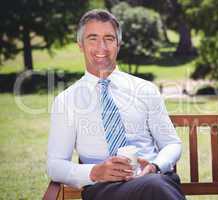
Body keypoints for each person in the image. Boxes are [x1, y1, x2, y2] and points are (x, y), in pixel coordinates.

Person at [47, 9, 186, 200]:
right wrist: (95, 172)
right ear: (80, 45)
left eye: (109, 39)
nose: (101, 47)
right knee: (155, 188)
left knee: (154, 184)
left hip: (154, 180)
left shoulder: (145, 89)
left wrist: (155, 166)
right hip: (105, 189)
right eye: (93, 38)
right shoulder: (66, 101)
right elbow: (55, 165)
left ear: (118, 44)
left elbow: (171, 143)